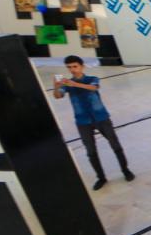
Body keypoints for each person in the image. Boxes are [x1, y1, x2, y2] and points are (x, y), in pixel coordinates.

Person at [54, 56, 135, 190]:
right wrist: (57, 87)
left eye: (75, 66)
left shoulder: (91, 78)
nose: (72, 69)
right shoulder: (67, 84)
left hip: (101, 118)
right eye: (69, 67)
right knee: (91, 152)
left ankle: (125, 170)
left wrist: (74, 84)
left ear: (82, 66)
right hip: (83, 121)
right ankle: (101, 178)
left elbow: (93, 87)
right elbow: (58, 96)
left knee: (116, 146)